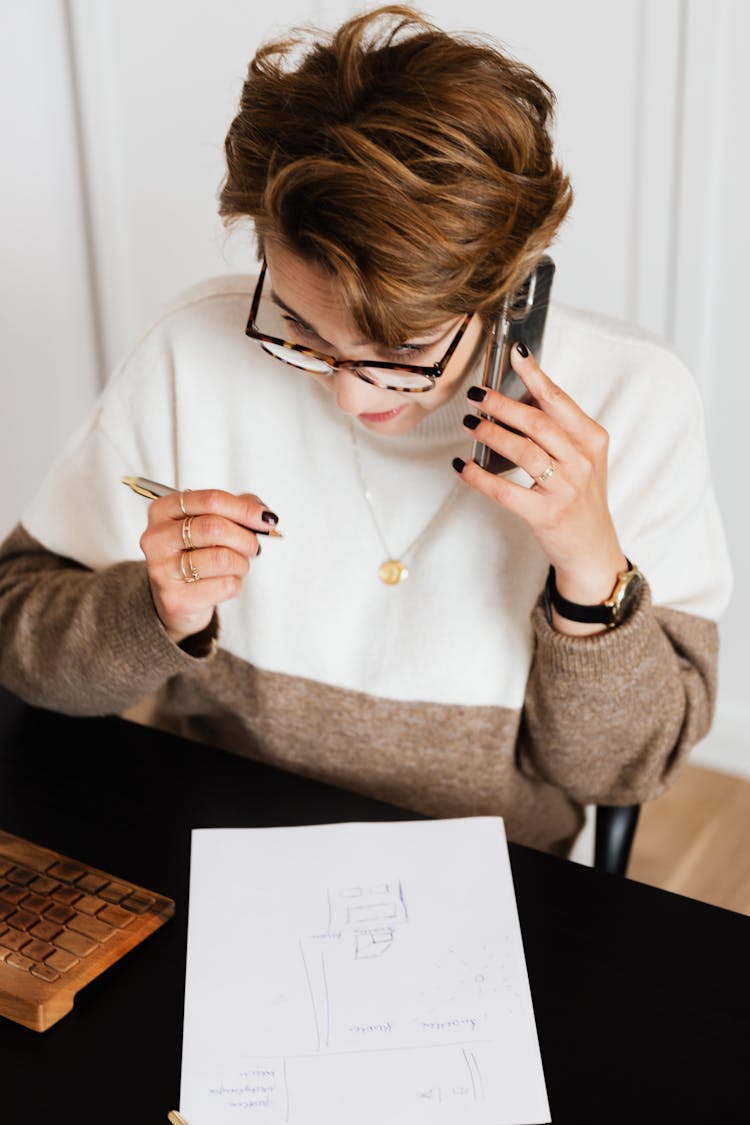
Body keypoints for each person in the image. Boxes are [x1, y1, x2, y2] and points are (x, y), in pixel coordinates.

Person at [0, 4, 732, 856]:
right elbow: (19, 639)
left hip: (496, 872)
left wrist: (589, 572)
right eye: (303, 332)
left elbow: (623, 773)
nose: (349, 397)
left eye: (404, 349)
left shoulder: (634, 397)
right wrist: (155, 608)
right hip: (213, 836)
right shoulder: (190, 350)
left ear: (506, 290)